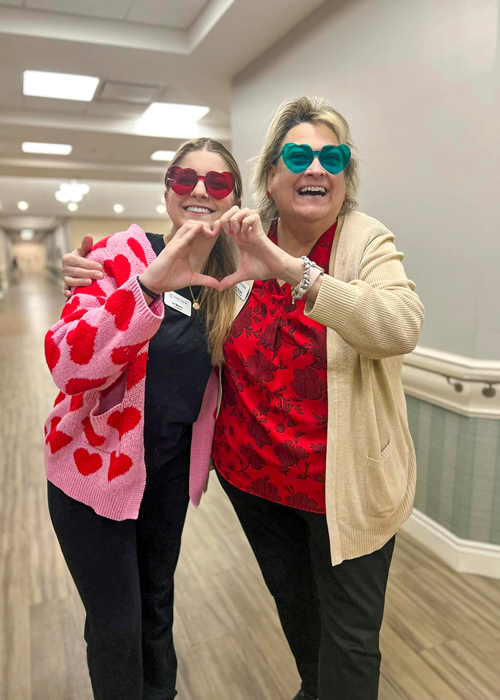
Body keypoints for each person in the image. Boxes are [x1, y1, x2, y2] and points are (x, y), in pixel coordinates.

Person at [63, 96, 424, 700]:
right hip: (256, 484)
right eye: (298, 155)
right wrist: (88, 270)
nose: (316, 168)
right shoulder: (233, 241)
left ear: (346, 174)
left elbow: (400, 326)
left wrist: (293, 270)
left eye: (332, 156)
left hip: (344, 488)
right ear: (271, 179)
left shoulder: (361, 241)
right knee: (297, 618)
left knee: (352, 643)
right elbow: (157, 265)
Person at [45, 137, 241, 700]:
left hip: (165, 483)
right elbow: (68, 364)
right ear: (168, 192)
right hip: (92, 478)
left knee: (156, 605)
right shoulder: (117, 258)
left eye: (218, 183)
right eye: (186, 179)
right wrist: (146, 285)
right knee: (116, 623)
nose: (200, 190)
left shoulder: (232, 285)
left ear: (232, 200)